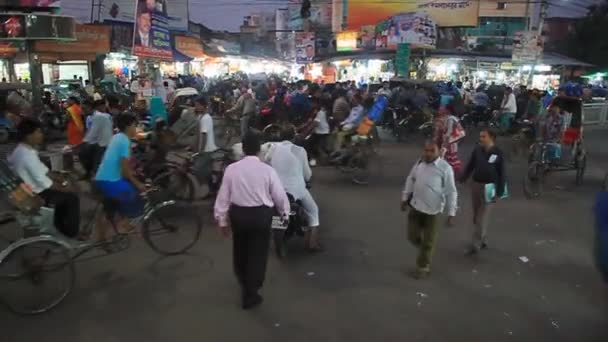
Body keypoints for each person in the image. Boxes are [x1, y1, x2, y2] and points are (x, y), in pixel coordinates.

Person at [214, 131, 290, 310]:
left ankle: (243, 279)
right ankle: (251, 292)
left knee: (240, 249)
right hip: (261, 217)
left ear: (243, 149)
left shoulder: (231, 169)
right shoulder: (268, 170)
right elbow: (279, 196)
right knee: (258, 253)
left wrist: (222, 221)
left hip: (239, 216)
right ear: (258, 150)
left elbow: (223, 197)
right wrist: (285, 214)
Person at [8, 119, 81, 238]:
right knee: (72, 198)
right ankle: (72, 234)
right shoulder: (27, 156)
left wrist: (62, 179)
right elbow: (45, 183)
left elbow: (45, 171)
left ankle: (60, 226)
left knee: (64, 191)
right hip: (35, 194)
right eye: (38, 132)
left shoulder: (22, 150)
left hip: (28, 189)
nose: (41, 135)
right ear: (28, 135)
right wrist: (67, 188)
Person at [401, 140, 457, 279]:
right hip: (416, 207)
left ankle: (423, 266)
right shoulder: (419, 163)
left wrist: (451, 212)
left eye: (432, 151)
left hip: (433, 211)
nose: (428, 153)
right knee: (412, 237)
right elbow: (411, 179)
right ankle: (425, 250)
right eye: (426, 150)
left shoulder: (445, 168)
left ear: (438, 152)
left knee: (428, 241)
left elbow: (451, 191)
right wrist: (404, 197)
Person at [95, 113, 147, 241]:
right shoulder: (124, 141)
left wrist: (131, 174)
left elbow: (122, 165)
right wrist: (138, 183)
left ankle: (103, 236)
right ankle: (124, 223)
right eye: (135, 125)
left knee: (112, 205)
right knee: (136, 195)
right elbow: (125, 170)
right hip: (110, 180)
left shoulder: (117, 137)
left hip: (102, 177)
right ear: (128, 126)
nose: (136, 128)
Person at [269, 125, 322, 251]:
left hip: (275, 189)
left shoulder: (272, 148)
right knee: (313, 211)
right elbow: (307, 174)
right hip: (296, 190)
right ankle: (312, 244)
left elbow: (266, 163)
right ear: (293, 137)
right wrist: (307, 178)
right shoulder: (299, 150)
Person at [460, 129, 506, 256]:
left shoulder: (498, 153)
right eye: (480, 136)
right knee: (476, 216)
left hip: (490, 187)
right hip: (476, 185)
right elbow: (470, 165)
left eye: (483, 136)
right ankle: (483, 238)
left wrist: (500, 192)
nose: (480, 139)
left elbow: (502, 173)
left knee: (481, 217)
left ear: (491, 138)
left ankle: (475, 245)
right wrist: (463, 177)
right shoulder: (477, 150)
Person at [79, 99, 113, 179]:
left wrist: (80, 144)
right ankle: (89, 173)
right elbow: (89, 132)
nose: (82, 110)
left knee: (96, 162)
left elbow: (92, 134)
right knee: (82, 154)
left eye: (84, 108)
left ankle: (96, 178)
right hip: (95, 142)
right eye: (82, 108)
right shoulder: (89, 117)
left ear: (91, 107)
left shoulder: (100, 116)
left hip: (102, 143)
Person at [434, 105, 463, 176]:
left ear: (448, 110)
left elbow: (449, 132)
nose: (441, 111)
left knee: (449, 157)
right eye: (440, 110)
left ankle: (449, 173)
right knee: (447, 156)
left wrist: (445, 141)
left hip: (449, 141)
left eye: (443, 110)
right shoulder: (448, 118)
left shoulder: (450, 119)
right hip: (448, 141)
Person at [309, 100, 330, 166]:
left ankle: (325, 161)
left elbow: (315, 123)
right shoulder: (320, 112)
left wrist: (309, 129)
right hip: (320, 131)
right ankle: (323, 160)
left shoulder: (320, 113)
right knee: (318, 147)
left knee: (320, 148)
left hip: (322, 132)